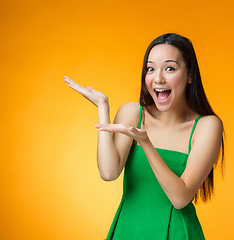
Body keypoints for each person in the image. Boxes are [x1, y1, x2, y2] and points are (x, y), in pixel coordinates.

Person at [63, 33, 225, 240]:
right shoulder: (132, 113)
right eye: (150, 69)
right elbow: (109, 172)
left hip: (176, 232)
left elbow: (180, 198)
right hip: (128, 229)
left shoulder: (207, 126)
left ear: (190, 75)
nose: (158, 78)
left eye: (170, 68)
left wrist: (146, 143)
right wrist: (102, 106)